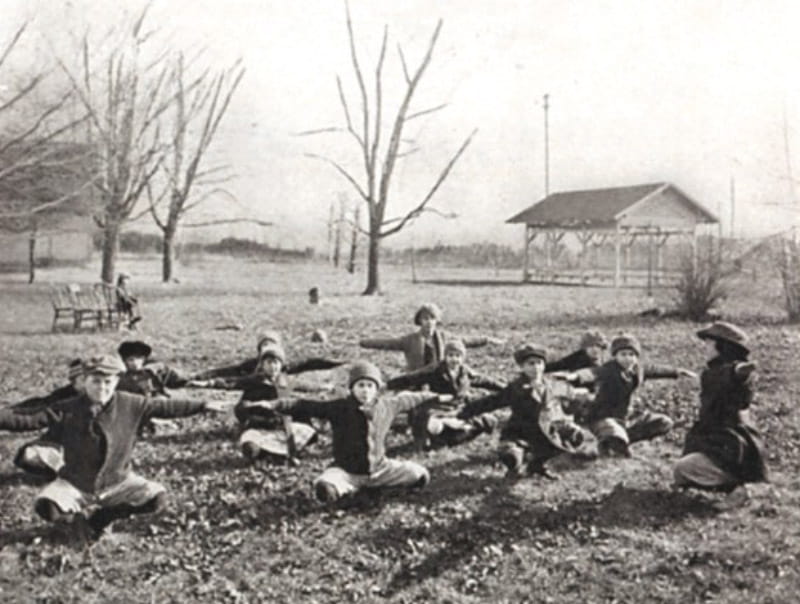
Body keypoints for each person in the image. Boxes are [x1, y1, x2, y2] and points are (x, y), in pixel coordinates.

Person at [29, 355, 228, 543]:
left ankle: (102, 517)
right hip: (76, 483)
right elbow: (30, 419)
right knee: (47, 506)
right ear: (84, 382)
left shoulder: (130, 403)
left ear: (116, 382)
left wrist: (203, 404)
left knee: (157, 498)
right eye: (95, 381)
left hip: (118, 481)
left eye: (108, 382)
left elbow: (165, 407)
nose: (102, 388)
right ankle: (77, 524)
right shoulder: (66, 408)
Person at [263, 361, 453, 504]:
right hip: (347, 471)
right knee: (325, 489)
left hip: (380, 469)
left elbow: (411, 399)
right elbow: (304, 405)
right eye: (360, 385)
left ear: (377, 389)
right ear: (352, 388)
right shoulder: (339, 408)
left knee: (420, 475)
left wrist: (436, 397)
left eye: (370, 386)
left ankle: (376, 488)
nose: (365, 391)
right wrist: (273, 404)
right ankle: (350, 489)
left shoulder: (387, 406)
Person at [458, 344, 592, 479]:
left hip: (545, 431)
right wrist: (465, 412)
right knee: (511, 456)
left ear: (544, 365)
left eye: (539, 363)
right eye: (530, 364)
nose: (535, 368)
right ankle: (514, 467)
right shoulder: (516, 388)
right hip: (520, 432)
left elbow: (567, 405)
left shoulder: (551, 385)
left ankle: (537, 465)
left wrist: (577, 404)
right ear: (522, 367)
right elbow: (493, 401)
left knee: (575, 436)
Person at [674, 322, 767, 504]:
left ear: (722, 346)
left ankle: (740, 488)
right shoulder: (714, 372)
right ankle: (740, 486)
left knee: (683, 468)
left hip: (733, 441)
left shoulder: (725, 372)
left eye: (709, 343)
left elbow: (732, 374)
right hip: (726, 438)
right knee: (682, 473)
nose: (706, 348)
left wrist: (740, 372)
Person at [561, 334, 696, 457]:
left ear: (636, 357)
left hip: (626, 417)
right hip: (603, 417)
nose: (628, 358)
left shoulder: (638, 369)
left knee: (664, 423)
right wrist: (576, 376)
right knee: (613, 433)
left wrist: (677, 371)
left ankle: (618, 441)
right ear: (615, 356)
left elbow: (655, 370)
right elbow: (593, 372)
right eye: (623, 354)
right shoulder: (609, 369)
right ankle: (610, 444)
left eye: (631, 354)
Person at [189, 342, 320, 464]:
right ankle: (267, 453)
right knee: (250, 448)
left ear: (281, 365)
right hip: (259, 426)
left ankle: (281, 453)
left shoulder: (285, 382)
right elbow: (231, 382)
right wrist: (208, 383)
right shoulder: (255, 380)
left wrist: (323, 387)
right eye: (269, 362)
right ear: (262, 365)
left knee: (309, 432)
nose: (273, 366)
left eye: (276, 363)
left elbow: (303, 387)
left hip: (282, 427)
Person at [385, 339, 503, 450]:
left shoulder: (466, 372)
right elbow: (412, 378)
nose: (454, 359)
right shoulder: (435, 370)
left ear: (462, 358)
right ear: (445, 356)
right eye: (451, 355)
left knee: (489, 421)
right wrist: (388, 385)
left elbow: (485, 381)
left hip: (459, 408)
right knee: (435, 426)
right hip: (439, 408)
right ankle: (439, 435)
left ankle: (453, 434)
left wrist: (504, 387)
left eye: (458, 356)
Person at [0, 359, 84, 478]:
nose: (93, 384)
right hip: (72, 451)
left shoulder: (115, 400)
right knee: (30, 455)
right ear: (74, 383)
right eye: (83, 379)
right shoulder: (65, 399)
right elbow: (33, 413)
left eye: (99, 380)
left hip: (104, 455)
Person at [359, 303, 503, 372]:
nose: (429, 322)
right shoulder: (410, 340)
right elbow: (388, 343)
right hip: (416, 378)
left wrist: (487, 340)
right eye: (425, 318)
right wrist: (363, 342)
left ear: (437, 320)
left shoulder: (445, 337)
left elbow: (465, 341)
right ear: (420, 321)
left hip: (438, 377)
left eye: (432, 318)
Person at [192, 330, 346, 380]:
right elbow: (226, 371)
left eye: (271, 344)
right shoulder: (251, 365)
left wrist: (337, 363)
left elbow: (311, 363)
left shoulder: (285, 366)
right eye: (264, 345)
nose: (268, 348)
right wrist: (201, 376)